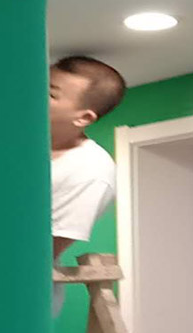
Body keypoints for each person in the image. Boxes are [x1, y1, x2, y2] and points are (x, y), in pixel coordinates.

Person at [49, 56, 127, 315]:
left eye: (50, 94)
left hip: (9, 293)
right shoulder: (15, 143)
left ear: (83, 117)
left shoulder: (90, 171)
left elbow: (43, 250)